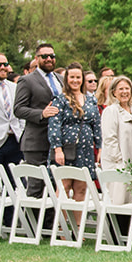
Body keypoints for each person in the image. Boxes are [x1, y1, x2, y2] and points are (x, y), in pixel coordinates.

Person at [49, 63, 102, 213]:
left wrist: (99, 148)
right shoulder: (60, 100)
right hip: (67, 148)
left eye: (78, 77)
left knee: (81, 188)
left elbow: (96, 125)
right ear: (67, 79)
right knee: (64, 187)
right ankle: (62, 229)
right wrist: (57, 149)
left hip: (85, 150)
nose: (75, 80)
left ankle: (77, 229)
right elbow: (54, 126)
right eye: (72, 77)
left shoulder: (91, 100)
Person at [13, 44, 62, 197]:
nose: (49, 59)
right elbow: (18, 109)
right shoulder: (27, 80)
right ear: (36, 58)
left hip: (58, 142)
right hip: (36, 141)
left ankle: (52, 221)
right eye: (45, 56)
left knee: (55, 187)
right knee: (37, 187)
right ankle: (32, 221)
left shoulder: (61, 79)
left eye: (52, 56)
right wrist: (42, 113)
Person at [99, 76, 132, 205]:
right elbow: (110, 139)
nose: (124, 92)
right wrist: (120, 161)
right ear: (113, 92)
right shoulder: (111, 111)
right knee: (119, 199)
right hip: (119, 164)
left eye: (127, 88)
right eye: (121, 89)